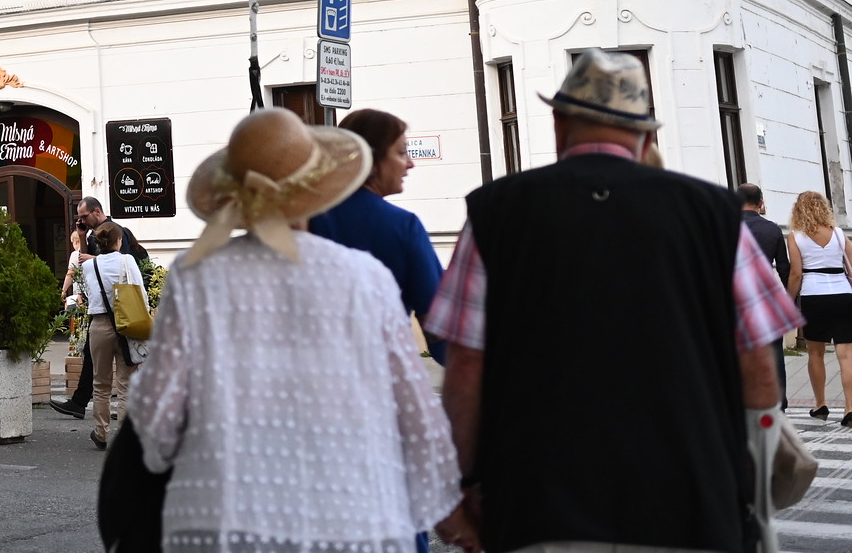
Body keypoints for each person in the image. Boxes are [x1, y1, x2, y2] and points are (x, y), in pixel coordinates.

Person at [427, 50, 800, 553]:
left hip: (538, 501)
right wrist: (752, 484)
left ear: (559, 123)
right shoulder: (713, 212)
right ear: (647, 134)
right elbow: (757, 366)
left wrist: (461, 484)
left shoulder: (496, 212)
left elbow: (468, 364)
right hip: (690, 500)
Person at [125, 107, 467, 549]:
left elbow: (156, 417)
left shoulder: (195, 278)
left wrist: (178, 455)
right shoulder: (367, 275)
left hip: (225, 522)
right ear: (320, 184)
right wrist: (445, 505)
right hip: (354, 517)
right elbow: (415, 411)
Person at [307, 108, 445, 363]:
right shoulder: (403, 226)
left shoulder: (303, 217)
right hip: (376, 373)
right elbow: (438, 322)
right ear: (371, 161)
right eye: (401, 152)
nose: (410, 163)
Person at [52, 196, 150, 419]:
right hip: (104, 309)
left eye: (84, 216)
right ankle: (84, 405)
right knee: (104, 367)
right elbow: (85, 263)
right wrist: (82, 237)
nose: (82, 220)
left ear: (97, 211)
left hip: (120, 310)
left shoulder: (115, 232)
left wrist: (93, 261)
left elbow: (120, 265)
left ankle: (97, 416)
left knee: (114, 376)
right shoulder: (94, 235)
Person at [788, 187, 852, 423]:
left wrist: (788, 300)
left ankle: (820, 405)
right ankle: (849, 408)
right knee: (846, 356)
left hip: (814, 296)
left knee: (815, 354)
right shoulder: (838, 234)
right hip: (843, 295)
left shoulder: (795, 236)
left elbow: (796, 273)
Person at [80, 220, 143, 450]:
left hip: (99, 325)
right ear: (119, 241)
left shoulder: (89, 266)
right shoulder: (127, 261)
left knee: (100, 383)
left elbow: (89, 294)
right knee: (126, 384)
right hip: (126, 325)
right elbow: (139, 293)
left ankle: (101, 433)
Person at [739, 182, 791, 409]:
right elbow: (784, 268)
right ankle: (779, 400)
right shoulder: (772, 229)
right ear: (761, 204)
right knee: (774, 350)